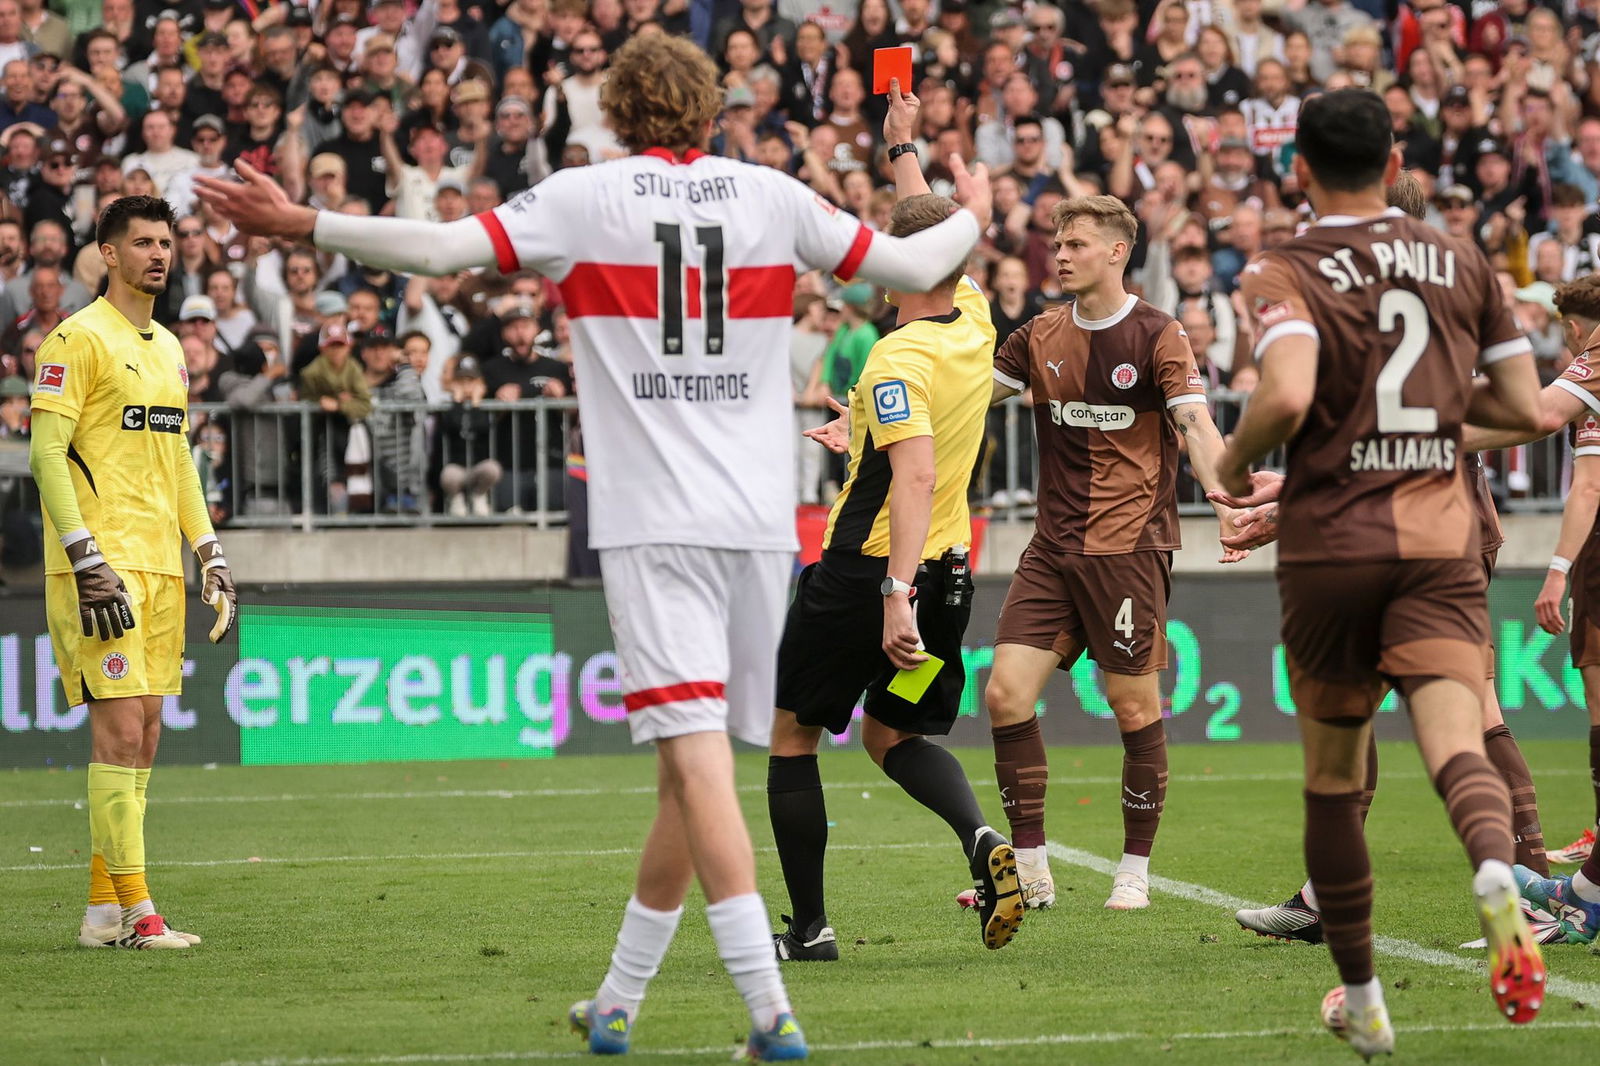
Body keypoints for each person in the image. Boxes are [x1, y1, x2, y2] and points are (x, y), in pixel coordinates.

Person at [196, 32, 990, 1061]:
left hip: (653, 522)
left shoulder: (585, 197)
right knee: (685, 772)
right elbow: (923, 261)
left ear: (615, 113)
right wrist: (970, 203)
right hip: (758, 525)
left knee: (695, 759)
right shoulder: (771, 195)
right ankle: (617, 999)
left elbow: (437, 251)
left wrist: (303, 219)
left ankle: (769, 1010)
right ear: (712, 111)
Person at [1215, 89, 1546, 1055]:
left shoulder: (1284, 266)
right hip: (1440, 540)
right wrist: (1425, 418)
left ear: (1299, 170)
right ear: (1396, 162)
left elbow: (1286, 394)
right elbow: (1524, 407)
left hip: (1333, 547)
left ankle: (1362, 999)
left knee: (1333, 779)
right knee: (1457, 745)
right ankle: (1496, 872)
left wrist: (1232, 464)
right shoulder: (1463, 259)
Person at [768, 82, 1019, 964]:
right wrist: (902, 146)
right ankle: (983, 840)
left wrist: (891, 594)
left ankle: (810, 930)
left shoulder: (893, 356)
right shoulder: (974, 318)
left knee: (794, 736)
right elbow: (933, 234)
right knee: (891, 734)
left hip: (869, 579)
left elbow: (913, 474)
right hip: (952, 575)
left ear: (889, 270)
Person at [973, 192, 1243, 913]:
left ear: (1118, 252)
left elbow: (1194, 422)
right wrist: (872, 420)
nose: (1060, 255)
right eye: (1058, 244)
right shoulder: (1039, 333)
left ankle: (1134, 869)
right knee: (1003, 694)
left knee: (1131, 705)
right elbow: (968, 399)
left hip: (1127, 548)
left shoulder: (1159, 333)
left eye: (1077, 244)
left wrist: (1227, 500)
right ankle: (1031, 868)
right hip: (1052, 547)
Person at [28, 195, 237, 952]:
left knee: (144, 736)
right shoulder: (75, 338)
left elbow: (176, 456)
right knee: (117, 734)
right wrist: (83, 555)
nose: (159, 254)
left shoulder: (170, 347)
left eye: (166, 243)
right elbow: (45, 453)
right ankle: (141, 915)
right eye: (143, 242)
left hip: (159, 567)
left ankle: (101, 913)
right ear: (108, 254)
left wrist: (208, 550)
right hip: (100, 568)